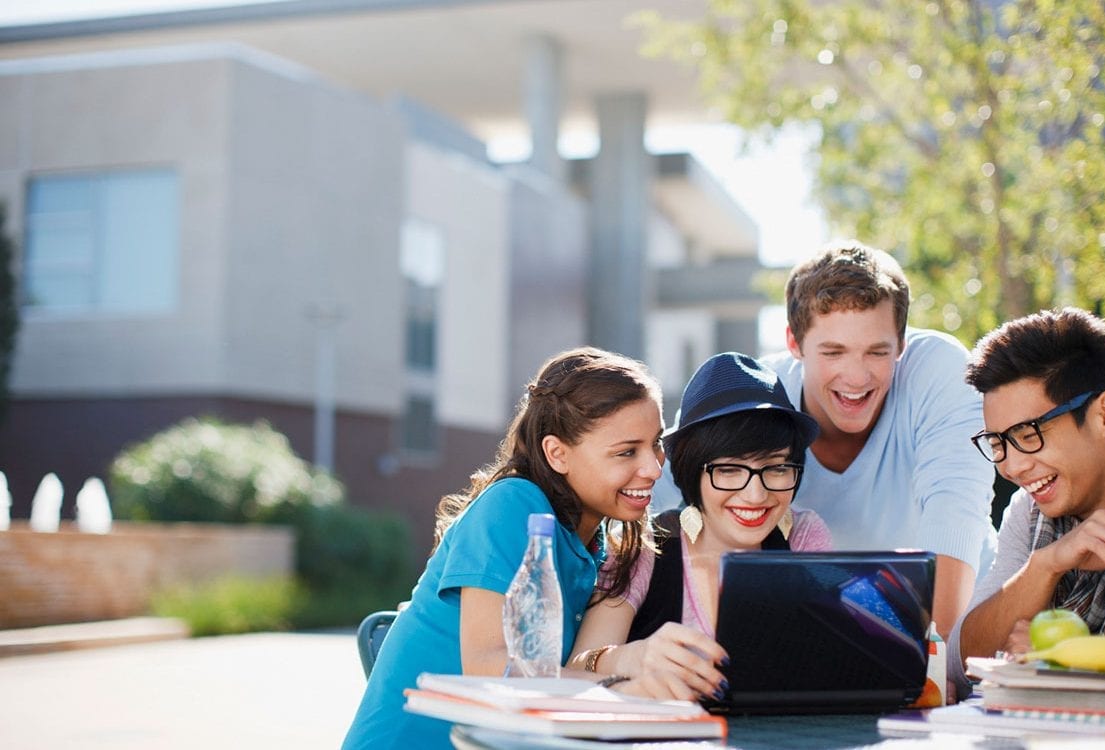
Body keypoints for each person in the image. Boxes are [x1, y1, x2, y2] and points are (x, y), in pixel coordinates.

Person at [341, 347, 696, 750]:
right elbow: (490, 670)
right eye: (627, 452)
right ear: (557, 453)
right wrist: (625, 684)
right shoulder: (512, 506)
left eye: (656, 445)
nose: (653, 468)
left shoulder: (598, 545)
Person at [756, 240, 997, 640]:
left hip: (962, 624)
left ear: (901, 342)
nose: (856, 377)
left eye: (877, 352)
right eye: (833, 352)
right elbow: (675, 503)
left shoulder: (940, 370)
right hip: (823, 631)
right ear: (794, 343)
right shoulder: (760, 394)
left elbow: (955, 512)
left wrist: (937, 665)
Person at [568, 352, 832, 695]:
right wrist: (630, 662)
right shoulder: (646, 545)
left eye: (777, 468)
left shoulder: (804, 537)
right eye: (728, 470)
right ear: (692, 470)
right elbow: (578, 664)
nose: (755, 495)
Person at [948, 308, 1105, 691]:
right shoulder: (1030, 509)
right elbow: (960, 663)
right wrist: (1044, 567)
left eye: (1029, 434)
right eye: (998, 443)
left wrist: (1077, 662)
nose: (1012, 467)